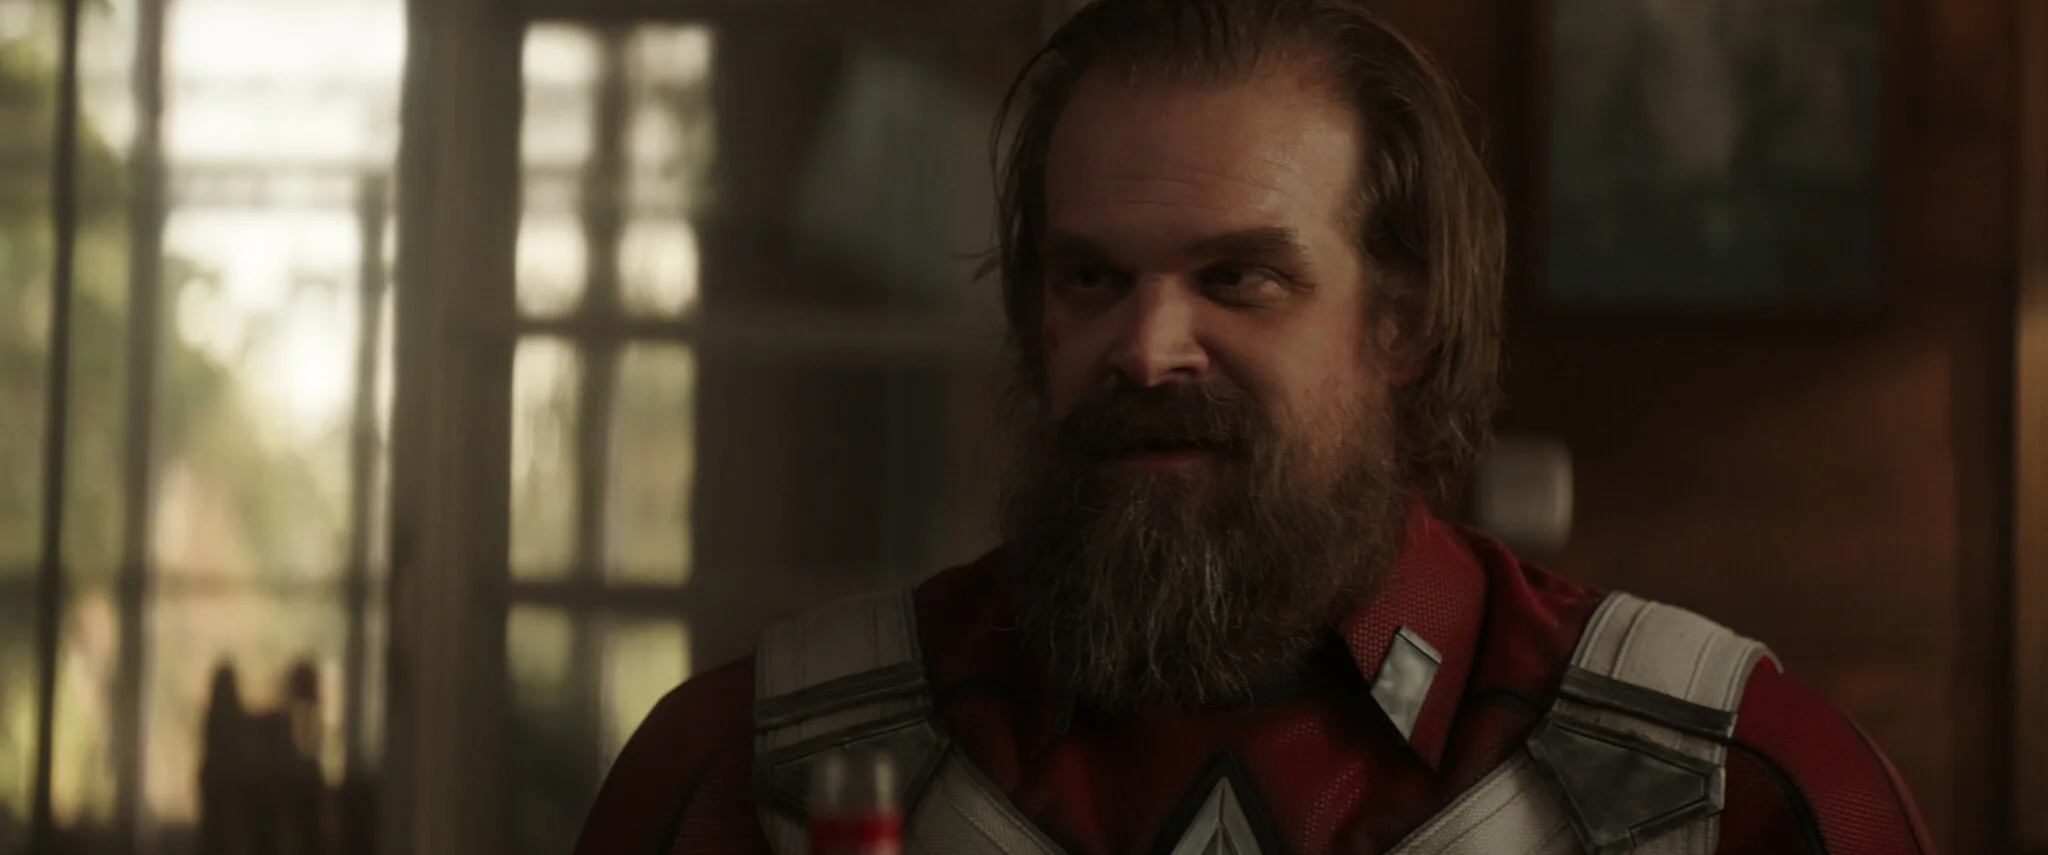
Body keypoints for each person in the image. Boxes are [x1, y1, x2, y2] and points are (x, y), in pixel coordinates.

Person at [573, 1, 1935, 852]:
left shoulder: (1726, 796)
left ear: (1402, 325)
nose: (1145, 348)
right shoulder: (750, 782)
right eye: (1091, 278)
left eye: (1238, 278)